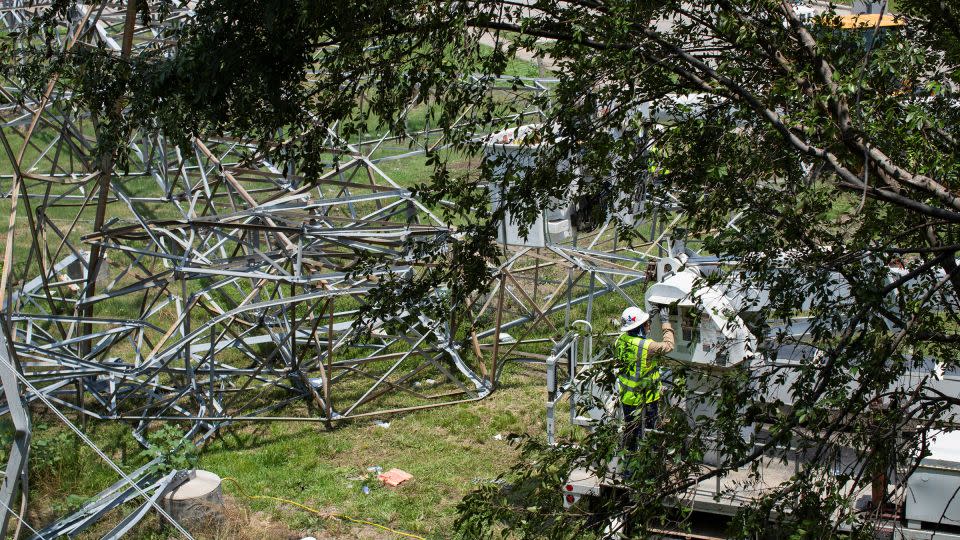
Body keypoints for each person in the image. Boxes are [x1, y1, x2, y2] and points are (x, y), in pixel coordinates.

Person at [616, 304, 674, 455]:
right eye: (646, 323)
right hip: (646, 398)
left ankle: (629, 467)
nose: (649, 326)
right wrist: (665, 322)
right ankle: (648, 465)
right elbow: (669, 346)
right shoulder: (648, 346)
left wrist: (648, 316)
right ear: (641, 327)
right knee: (649, 433)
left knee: (631, 433)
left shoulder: (621, 340)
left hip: (627, 397)